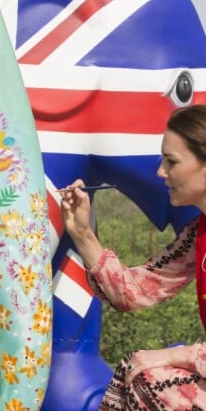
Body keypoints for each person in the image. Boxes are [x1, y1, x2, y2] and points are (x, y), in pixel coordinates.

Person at [60, 103, 206, 409]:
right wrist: (83, 234)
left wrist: (176, 355)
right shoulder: (199, 233)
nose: (160, 172)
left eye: (171, 162)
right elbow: (135, 291)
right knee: (135, 370)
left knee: (154, 382)